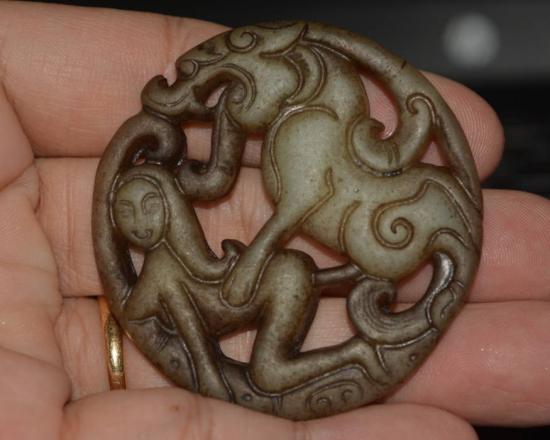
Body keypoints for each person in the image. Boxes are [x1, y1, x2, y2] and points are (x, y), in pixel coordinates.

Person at [0, 2, 548, 439]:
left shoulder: (312, 132)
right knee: (269, 367)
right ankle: (352, 351)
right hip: (261, 288)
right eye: (128, 214)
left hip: (290, 271)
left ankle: (350, 346)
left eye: (144, 208)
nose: (136, 226)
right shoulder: (181, 248)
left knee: (270, 362)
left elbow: (283, 207)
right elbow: (158, 295)